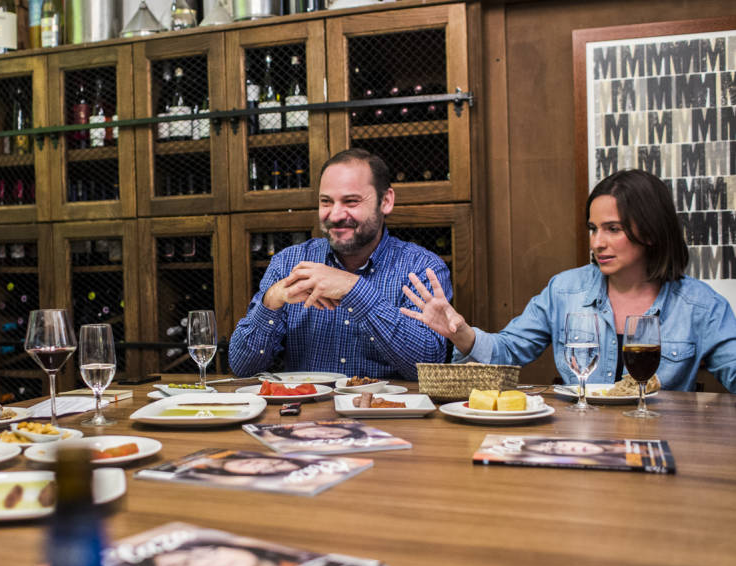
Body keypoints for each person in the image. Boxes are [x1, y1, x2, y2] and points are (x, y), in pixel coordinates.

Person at [401, 169, 736, 392]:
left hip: (664, 447)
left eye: (613, 229)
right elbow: (507, 352)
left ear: (650, 231)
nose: (597, 243)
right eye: (593, 229)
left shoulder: (701, 305)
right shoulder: (564, 290)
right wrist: (464, 336)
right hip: (580, 442)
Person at [229, 148, 451, 380]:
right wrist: (270, 302)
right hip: (303, 413)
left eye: (351, 201)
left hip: (384, 414)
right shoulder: (287, 263)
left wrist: (354, 290)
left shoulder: (422, 268)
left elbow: (428, 368)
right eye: (326, 202)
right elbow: (242, 368)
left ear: (385, 201)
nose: (335, 215)